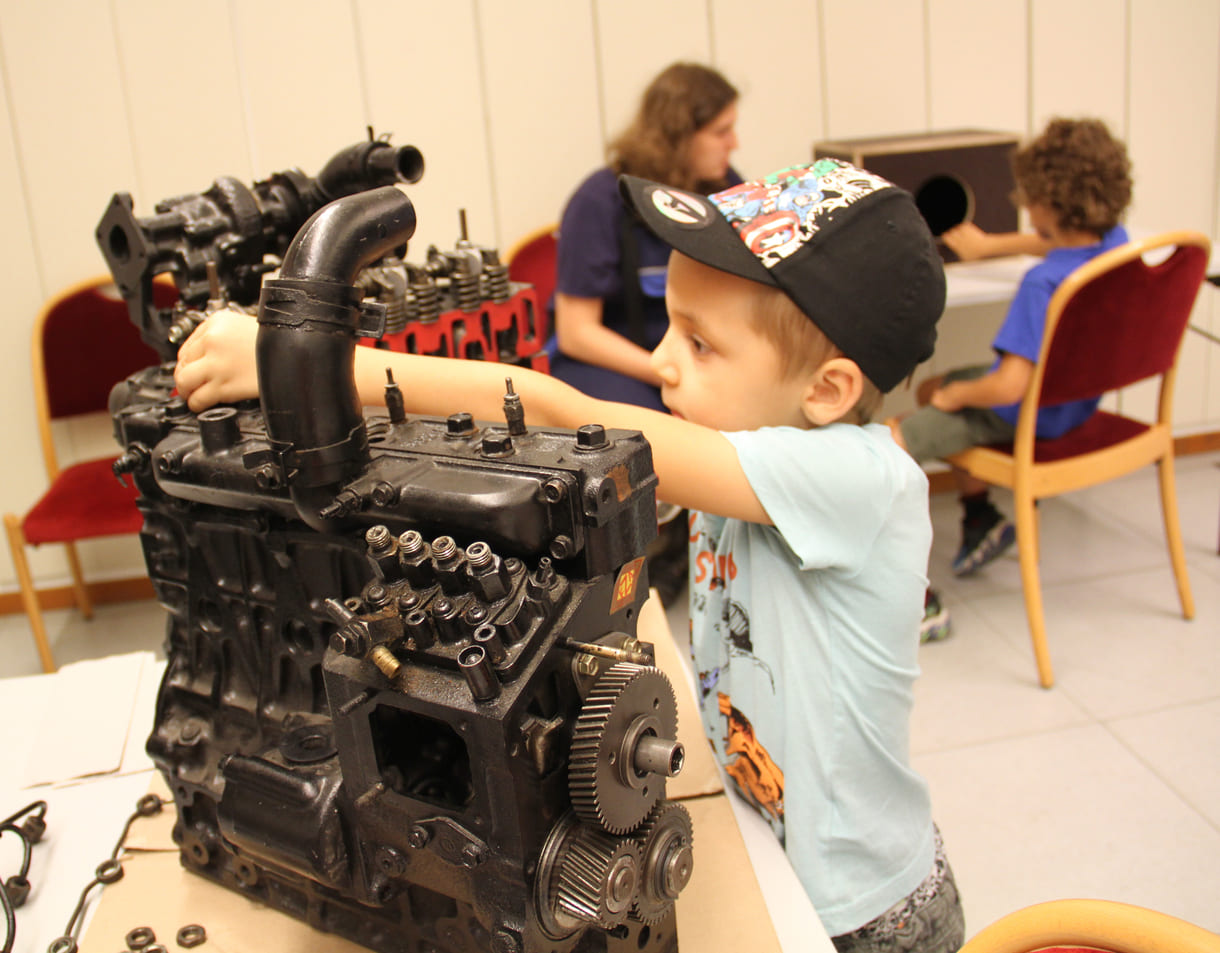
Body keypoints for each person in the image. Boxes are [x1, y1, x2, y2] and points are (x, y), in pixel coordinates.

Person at [174, 158, 965, 951]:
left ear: (827, 390)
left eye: (699, 343)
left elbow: (562, 412)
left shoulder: (862, 479)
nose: (661, 360)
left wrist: (311, 365)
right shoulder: (748, 449)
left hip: (861, 912)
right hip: (766, 846)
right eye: (669, 325)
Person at [888, 118, 1133, 578]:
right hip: (1074, 404)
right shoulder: (1114, 245)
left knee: (897, 434)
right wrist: (990, 246)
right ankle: (980, 518)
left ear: (1047, 203)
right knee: (933, 386)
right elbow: (1056, 244)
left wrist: (955, 399)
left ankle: (895, 576)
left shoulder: (1042, 285)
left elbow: (1006, 387)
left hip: (1026, 413)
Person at [550, 61, 741, 412]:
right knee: (652, 441)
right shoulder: (598, 201)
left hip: (689, 360)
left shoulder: (724, 187)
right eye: (721, 132)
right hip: (617, 361)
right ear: (679, 136)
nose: (734, 144)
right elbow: (577, 334)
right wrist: (671, 374)